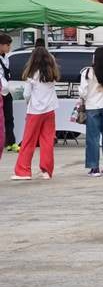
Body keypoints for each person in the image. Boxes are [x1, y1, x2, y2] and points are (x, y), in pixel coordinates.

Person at [11, 46, 59, 181]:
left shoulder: (32, 74)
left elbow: (26, 95)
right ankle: (47, 171)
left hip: (35, 111)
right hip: (50, 110)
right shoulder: (52, 73)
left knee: (28, 141)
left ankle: (23, 171)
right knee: (47, 141)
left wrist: (29, 102)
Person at [79, 47, 103, 177]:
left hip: (92, 107)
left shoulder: (87, 72)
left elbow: (83, 92)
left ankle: (94, 168)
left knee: (93, 139)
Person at [0, 33, 16, 153]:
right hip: (1, 91)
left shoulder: (6, 57)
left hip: (6, 92)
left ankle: (11, 142)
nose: (9, 47)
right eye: (7, 45)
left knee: (9, 118)